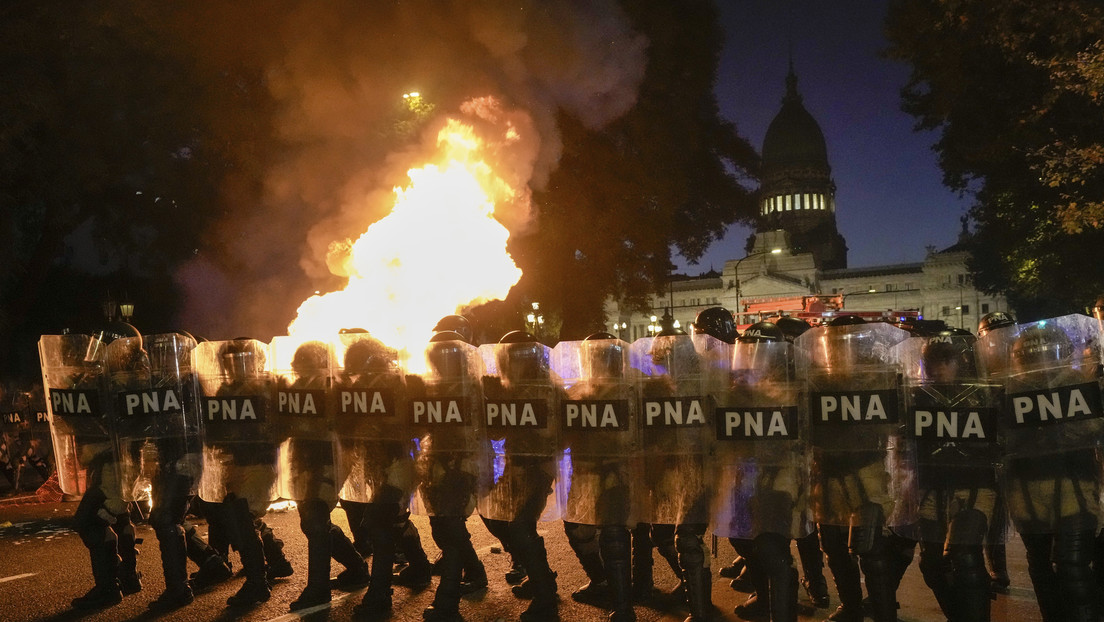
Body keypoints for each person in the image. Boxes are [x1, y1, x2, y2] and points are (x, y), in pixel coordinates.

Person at [982, 315, 1103, 621]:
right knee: (1043, 566)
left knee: (1070, 567)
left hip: (1072, 487)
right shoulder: (1007, 392)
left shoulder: (1080, 384)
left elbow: (1093, 430)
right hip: (1031, 490)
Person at [794, 315, 912, 622]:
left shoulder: (880, 375)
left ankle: (884, 612)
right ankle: (851, 606)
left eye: (840, 344)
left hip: (866, 471)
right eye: (830, 344)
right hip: (827, 471)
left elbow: (899, 422)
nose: (834, 351)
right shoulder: (815, 379)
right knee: (832, 546)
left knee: (871, 549)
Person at [897, 329, 1001, 621]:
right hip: (930, 489)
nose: (938, 368)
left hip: (975, 488)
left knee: (965, 555)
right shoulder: (916, 396)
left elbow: (1005, 441)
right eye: (932, 362)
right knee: (931, 564)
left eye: (947, 360)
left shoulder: (988, 395)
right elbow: (902, 442)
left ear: (964, 362)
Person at [40, 326, 143, 609]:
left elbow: (97, 424)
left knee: (89, 522)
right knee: (120, 519)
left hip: (112, 465)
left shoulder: (113, 385)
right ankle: (129, 575)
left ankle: (108, 587)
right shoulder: (126, 382)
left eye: (101, 347)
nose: (93, 354)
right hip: (117, 464)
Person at [715, 320, 807, 622]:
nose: (753, 360)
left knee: (771, 549)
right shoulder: (736, 389)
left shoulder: (795, 388)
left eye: (760, 353)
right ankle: (764, 599)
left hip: (778, 480)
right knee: (745, 543)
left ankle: (781, 611)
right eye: (749, 352)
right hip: (743, 478)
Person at [109, 332, 206, 611]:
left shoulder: (191, 382)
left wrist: (193, 455)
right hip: (165, 460)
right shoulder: (160, 383)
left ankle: (179, 589)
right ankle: (185, 582)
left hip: (184, 458)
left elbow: (198, 422)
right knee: (163, 519)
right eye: (160, 355)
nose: (163, 360)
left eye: (169, 355)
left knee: (165, 519)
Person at [272, 339, 370, 611]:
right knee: (312, 522)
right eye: (301, 365)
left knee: (315, 520)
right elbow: (285, 427)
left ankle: (318, 588)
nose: (304, 370)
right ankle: (357, 566)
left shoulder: (336, 388)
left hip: (330, 459)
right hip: (305, 459)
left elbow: (350, 428)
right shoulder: (296, 388)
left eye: (309, 363)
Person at [334, 333, 427, 618]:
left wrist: (389, 424)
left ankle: (380, 594)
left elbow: (419, 424)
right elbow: (348, 431)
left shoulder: (405, 383)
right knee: (392, 519)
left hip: (400, 462)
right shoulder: (358, 388)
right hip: (378, 464)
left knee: (378, 521)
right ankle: (420, 567)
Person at [633, 318, 720, 621]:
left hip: (696, 470)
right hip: (671, 473)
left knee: (687, 538)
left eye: (664, 360)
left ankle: (701, 607)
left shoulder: (707, 384)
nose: (661, 366)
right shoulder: (663, 388)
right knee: (664, 535)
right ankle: (689, 583)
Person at [554, 332, 640, 621]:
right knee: (577, 528)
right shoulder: (578, 391)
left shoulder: (632, 388)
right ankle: (602, 582)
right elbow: (563, 439)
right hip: (585, 473)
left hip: (616, 472)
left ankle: (623, 606)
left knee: (614, 536)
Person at [481, 330, 562, 621]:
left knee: (519, 527)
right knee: (492, 515)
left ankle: (545, 597)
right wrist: (495, 400)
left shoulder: (545, 386)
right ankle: (539, 574)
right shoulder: (514, 385)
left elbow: (551, 432)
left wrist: (509, 399)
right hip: (516, 465)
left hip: (537, 468)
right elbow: (498, 432)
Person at [195, 337, 283, 607]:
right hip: (236, 464)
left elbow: (280, 426)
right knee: (239, 520)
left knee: (242, 519)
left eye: (240, 361)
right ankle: (273, 563)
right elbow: (217, 430)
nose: (234, 367)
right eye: (229, 362)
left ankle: (257, 582)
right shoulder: (225, 390)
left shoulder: (268, 386)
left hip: (259, 463)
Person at [410, 330, 490, 620]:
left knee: (452, 530)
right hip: (437, 464)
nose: (439, 365)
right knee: (443, 529)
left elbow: (479, 429)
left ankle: (447, 603)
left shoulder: (470, 386)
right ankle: (477, 574)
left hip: (461, 466)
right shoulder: (434, 386)